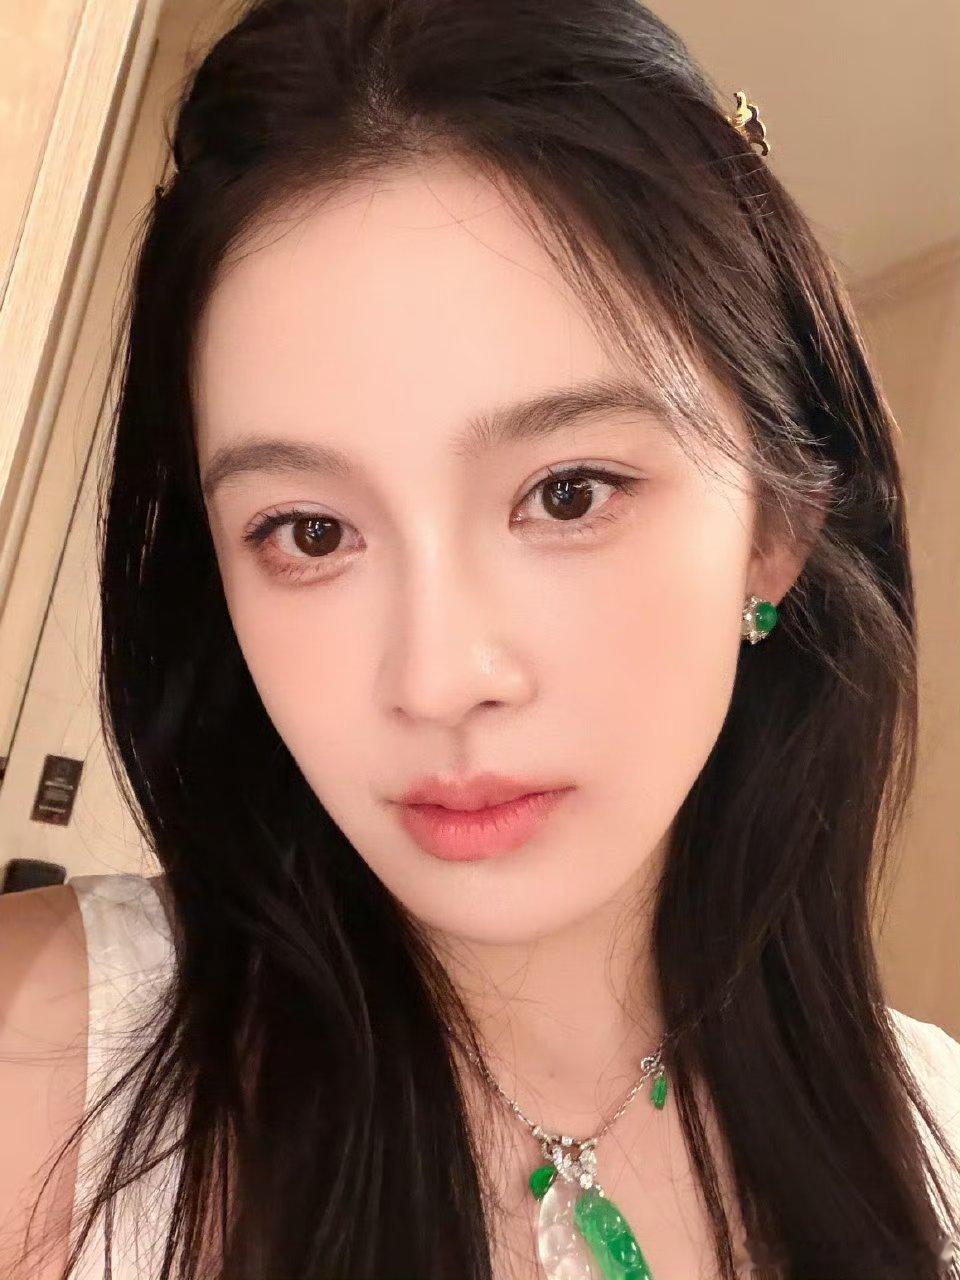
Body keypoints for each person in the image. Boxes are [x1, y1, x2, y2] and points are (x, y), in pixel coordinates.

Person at [1, 1, 958, 1277]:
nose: (440, 677)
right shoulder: (39, 1062)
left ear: (776, 525)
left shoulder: (938, 1138)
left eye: (568, 493)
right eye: (308, 531)